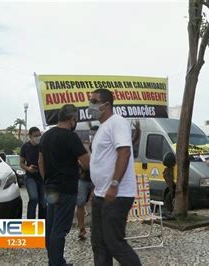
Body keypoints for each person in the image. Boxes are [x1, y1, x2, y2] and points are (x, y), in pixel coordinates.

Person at [88, 88, 141, 266]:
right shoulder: (104, 127)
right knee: (99, 243)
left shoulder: (117, 122)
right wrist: (97, 190)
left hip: (116, 195)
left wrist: (114, 184)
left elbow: (124, 152)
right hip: (101, 194)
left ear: (107, 104)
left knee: (114, 243)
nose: (91, 105)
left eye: (94, 101)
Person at [38, 104, 90, 266]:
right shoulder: (70, 137)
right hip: (66, 189)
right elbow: (87, 163)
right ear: (72, 119)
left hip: (51, 188)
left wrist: (46, 179)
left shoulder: (46, 136)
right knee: (60, 229)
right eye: (76, 120)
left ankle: (56, 260)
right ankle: (56, 263)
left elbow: (41, 161)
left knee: (51, 226)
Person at [76, 125, 98, 240]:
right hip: (84, 178)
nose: (92, 136)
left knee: (95, 204)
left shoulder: (102, 147)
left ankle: (96, 229)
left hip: (97, 180)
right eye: (91, 134)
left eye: (95, 134)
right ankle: (81, 228)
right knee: (80, 203)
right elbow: (84, 164)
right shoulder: (85, 147)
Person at [20, 126, 46, 219]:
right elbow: (21, 163)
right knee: (34, 198)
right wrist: (28, 168)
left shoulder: (43, 145)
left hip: (42, 177)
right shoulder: (25, 147)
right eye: (35, 136)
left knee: (43, 201)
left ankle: (43, 225)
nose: (38, 137)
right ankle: (31, 224)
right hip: (30, 176)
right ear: (30, 136)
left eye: (39, 135)